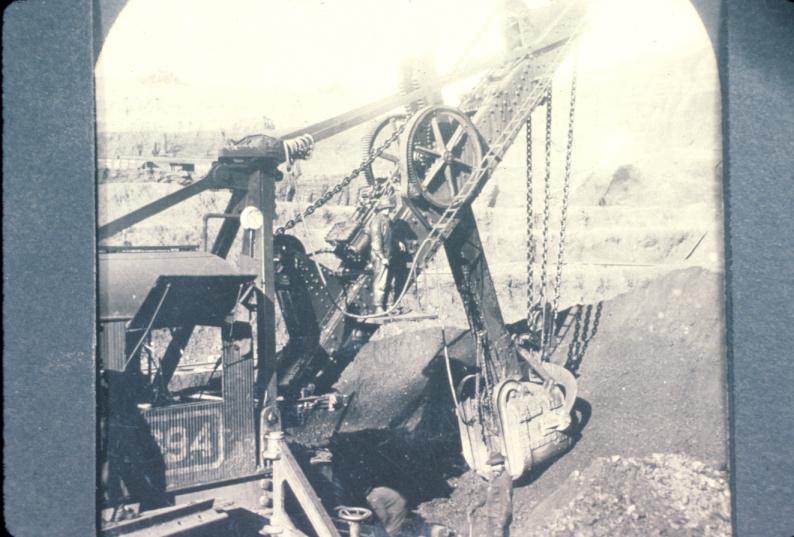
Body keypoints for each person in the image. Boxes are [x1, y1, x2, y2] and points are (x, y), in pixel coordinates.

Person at [469, 453, 513, 537]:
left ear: (502, 465)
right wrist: (476, 505)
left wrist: (502, 520)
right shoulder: (493, 476)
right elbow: (487, 493)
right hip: (491, 515)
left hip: (499, 517)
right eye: (492, 466)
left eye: (496, 466)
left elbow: (507, 501)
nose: (493, 468)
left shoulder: (505, 479)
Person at [368, 193, 397, 313]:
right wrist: (381, 256)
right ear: (380, 209)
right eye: (385, 208)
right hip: (380, 256)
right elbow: (376, 241)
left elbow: (390, 236)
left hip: (388, 254)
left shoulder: (388, 220)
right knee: (381, 281)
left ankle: (390, 304)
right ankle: (379, 306)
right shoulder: (376, 221)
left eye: (389, 208)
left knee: (391, 280)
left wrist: (397, 242)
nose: (387, 210)